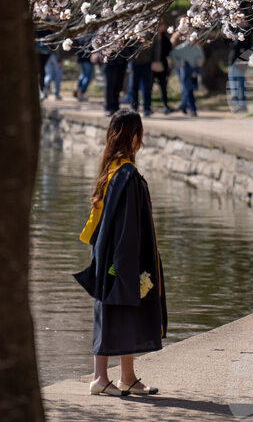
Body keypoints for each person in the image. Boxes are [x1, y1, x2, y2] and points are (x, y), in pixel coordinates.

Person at [73, 109, 167, 397]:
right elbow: (127, 227)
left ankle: (127, 377)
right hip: (120, 260)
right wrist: (127, 267)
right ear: (134, 136)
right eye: (140, 133)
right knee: (116, 312)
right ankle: (100, 378)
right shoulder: (126, 175)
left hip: (108, 258)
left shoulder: (112, 169)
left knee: (116, 313)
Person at [168, 30, 203, 116]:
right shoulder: (183, 46)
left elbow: (200, 56)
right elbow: (173, 53)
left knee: (191, 87)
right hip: (185, 69)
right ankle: (191, 108)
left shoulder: (196, 47)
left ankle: (183, 106)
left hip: (193, 69)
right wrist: (177, 63)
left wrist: (199, 61)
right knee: (188, 88)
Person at [151, 25, 174, 114]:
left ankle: (165, 105)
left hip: (162, 66)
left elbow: (169, 50)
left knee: (163, 86)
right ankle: (147, 106)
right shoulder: (151, 38)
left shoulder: (165, 39)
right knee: (149, 86)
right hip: (151, 66)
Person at [103, 45, 129, 117]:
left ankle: (116, 106)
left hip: (122, 62)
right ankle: (109, 107)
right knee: (110, 86)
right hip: (111, 63)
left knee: (118, 86)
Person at [74, 34, 96, 102]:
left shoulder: (81, 35)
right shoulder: (91, 36)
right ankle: (81, 94)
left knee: (83, 75)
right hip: (87, 59)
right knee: (87, 77)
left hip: (81, 58)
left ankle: (77, 90)